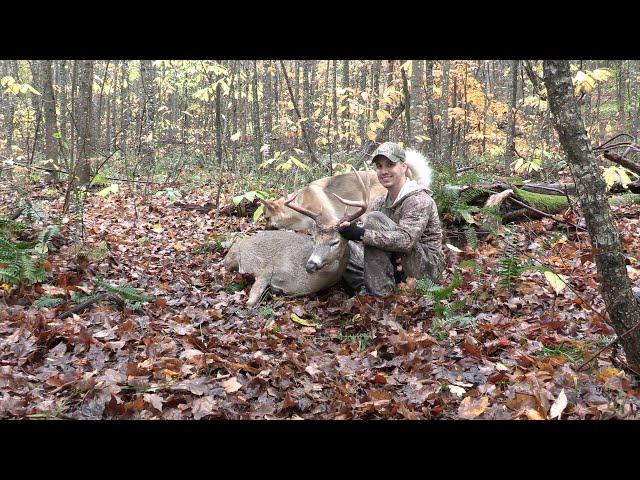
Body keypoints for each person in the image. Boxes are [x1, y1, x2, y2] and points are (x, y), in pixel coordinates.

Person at [339, 142, 445, 296]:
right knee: (345, 248)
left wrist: (360, 233)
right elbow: (373, 238)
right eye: (379, 166)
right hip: (395, 261)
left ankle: (380, 296)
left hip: (426, 268)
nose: (384, 171)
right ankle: (368, 287)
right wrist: (348, 230)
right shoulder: (380, 202)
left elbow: (406, 240)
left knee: (374, 219)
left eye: (390, 165)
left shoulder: (419, 200)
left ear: (403, 167)